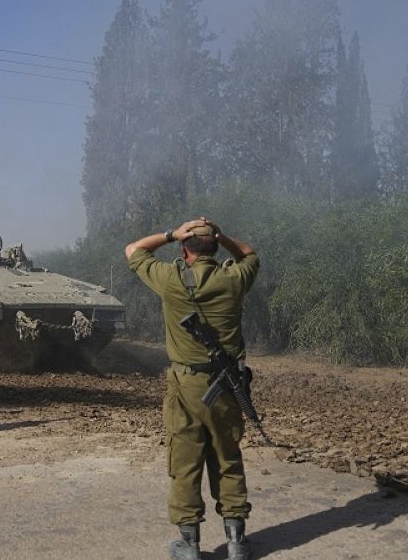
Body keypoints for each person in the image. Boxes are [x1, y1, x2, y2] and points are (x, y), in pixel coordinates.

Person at [125, 218, 259, 560]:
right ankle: (236, 543)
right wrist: (221, 235)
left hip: (185, 387)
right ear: (215, 247)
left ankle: (189, 545)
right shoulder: (234, 279)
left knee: (185, 463)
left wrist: (172, 234)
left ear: (185, 251)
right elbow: (249, 254)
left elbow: (134, 250)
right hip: (226, 387)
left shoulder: (171, 279)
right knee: (228, 458)